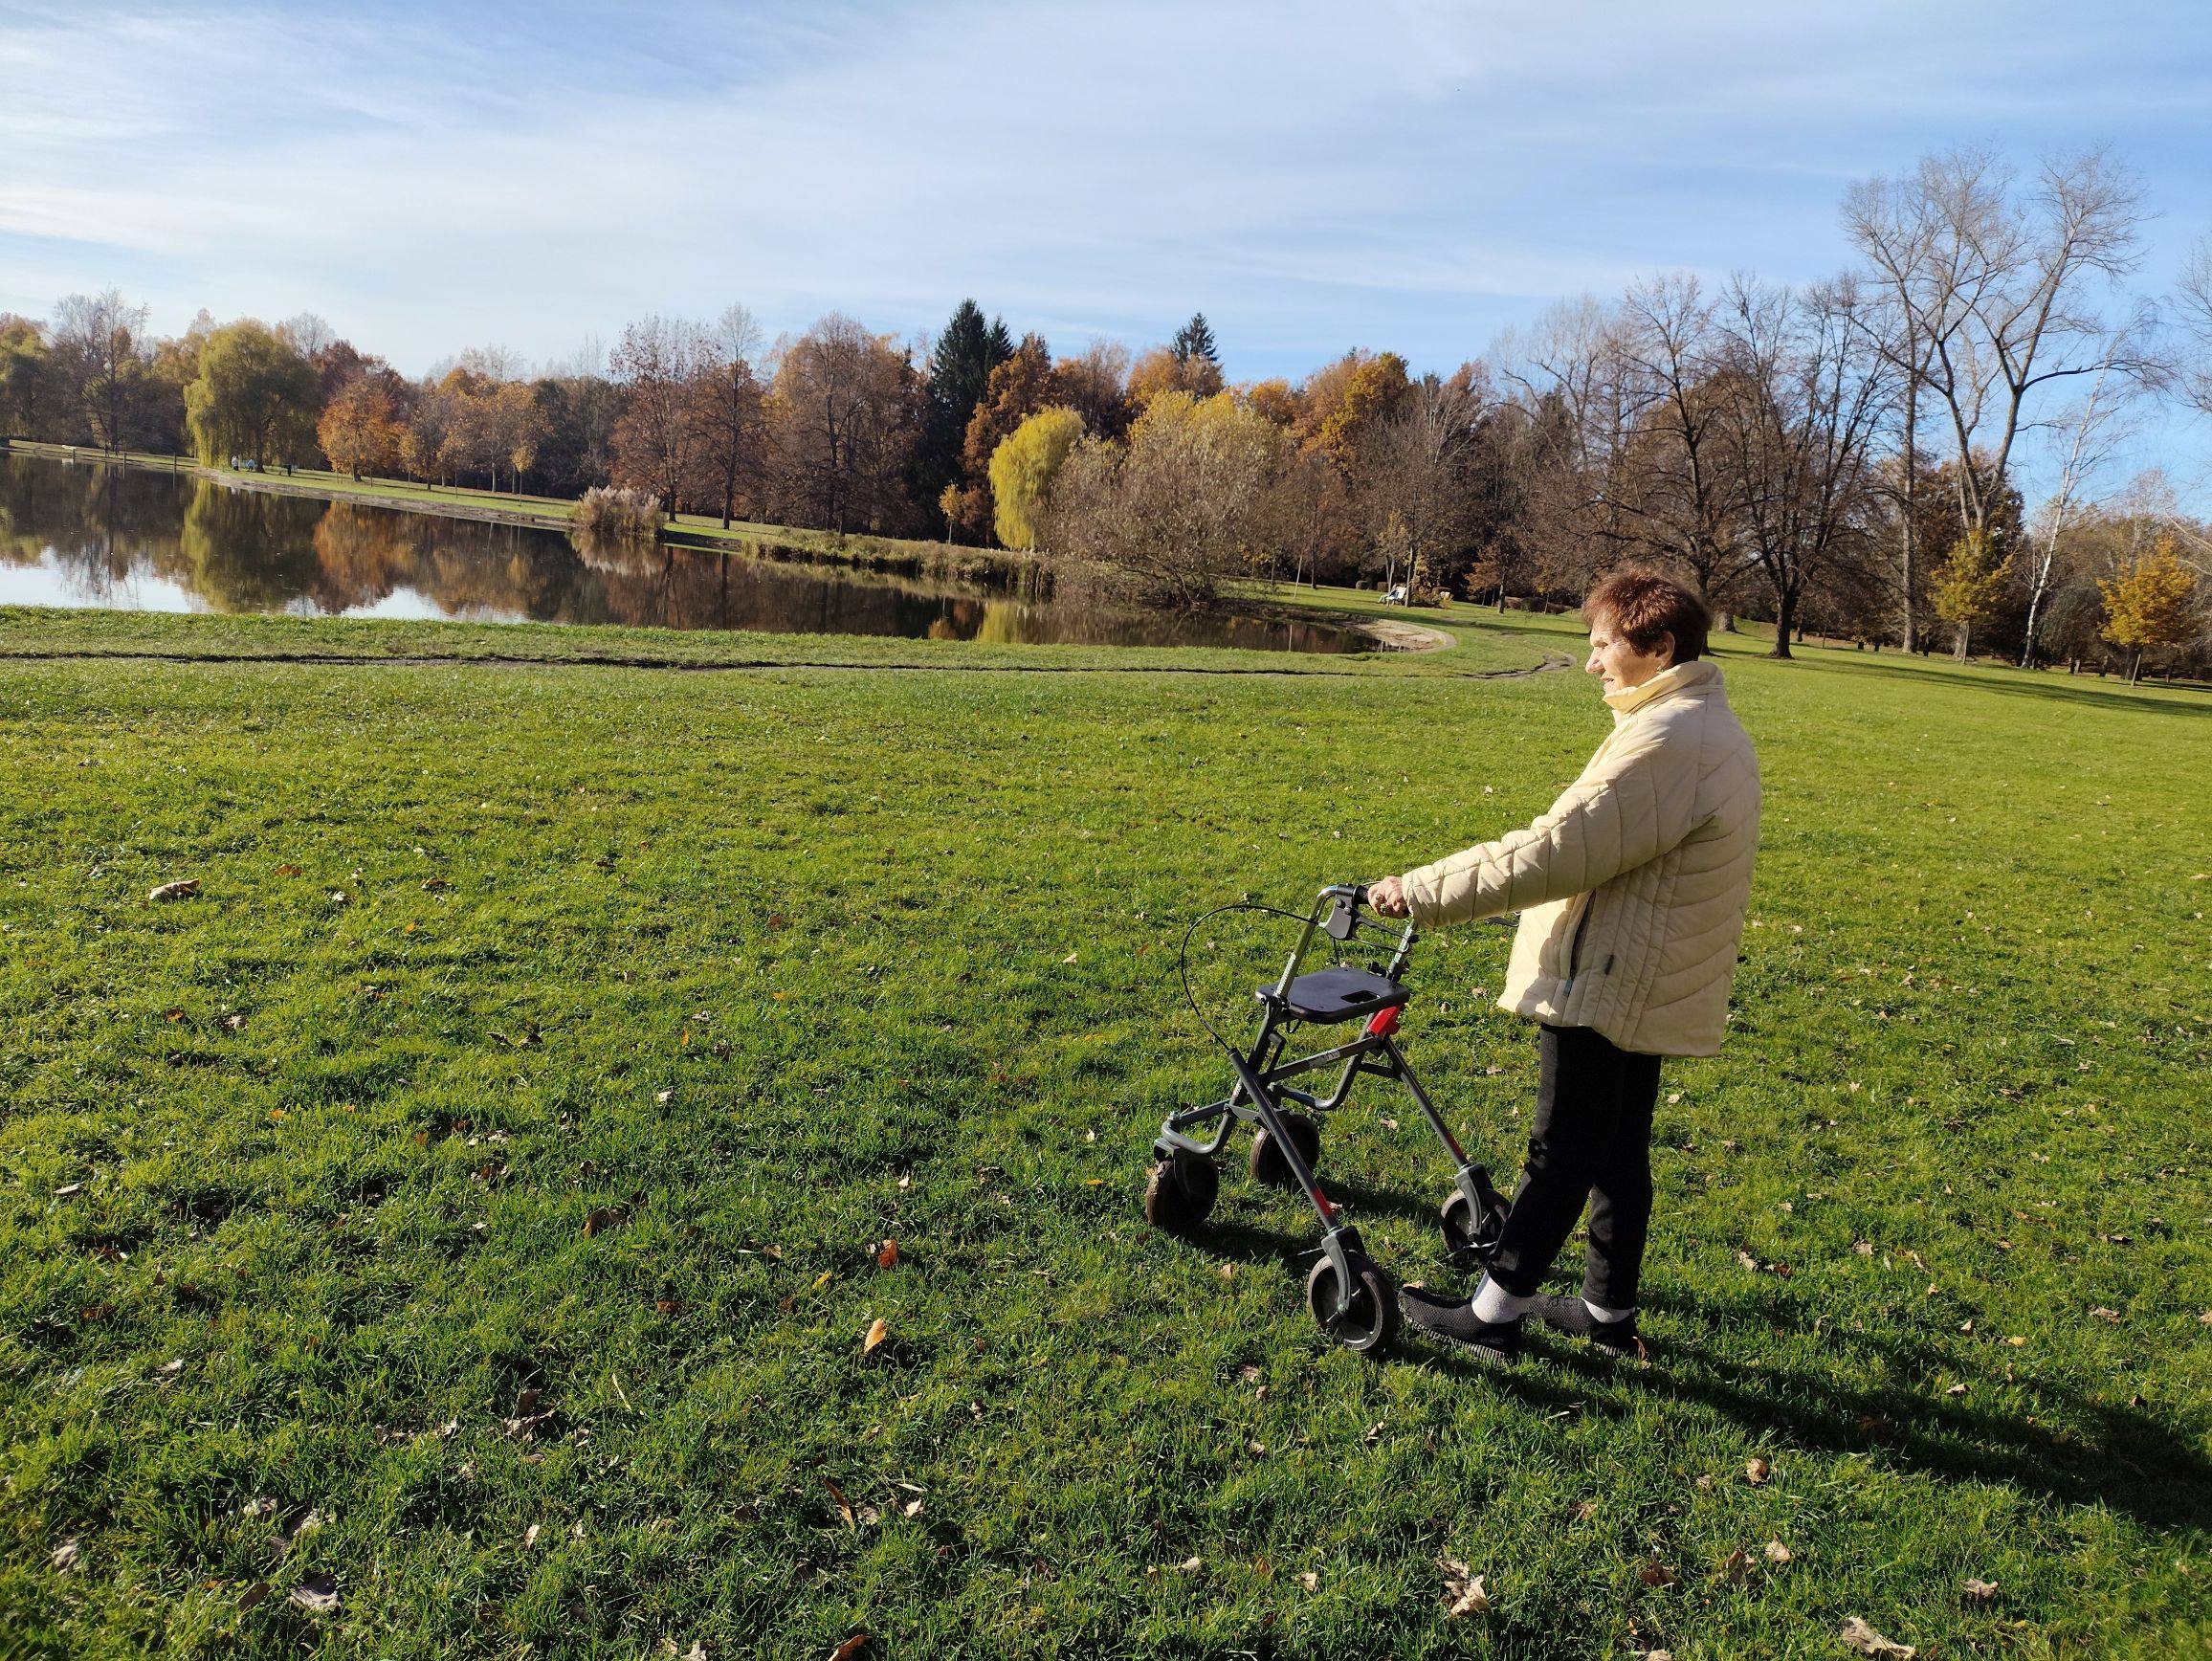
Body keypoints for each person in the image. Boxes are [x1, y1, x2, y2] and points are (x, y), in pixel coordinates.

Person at [1365, 568, 1760, 1362]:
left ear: (1659, 647)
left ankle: (1494, 1314)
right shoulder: (1699, 720)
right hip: (1647, 967)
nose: (1591, 663)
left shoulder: (1668, 738)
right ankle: (1608, 1317)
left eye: (1603, 645)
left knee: (1564, 1150)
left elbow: (1554, 849)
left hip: (1615, 973)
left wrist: (1420, 890)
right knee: (1616, 1152)